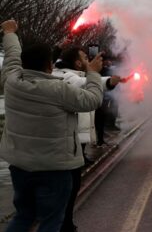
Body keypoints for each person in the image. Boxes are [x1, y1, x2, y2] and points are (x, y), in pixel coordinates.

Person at [0, 20, 104, 232]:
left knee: (23, 216)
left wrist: (9, 33)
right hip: (55, 169)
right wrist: (92, 72)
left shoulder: (11, 82)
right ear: (49, 66)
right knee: (51, 221)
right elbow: (93, 99)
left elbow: (11, 57)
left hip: (20, 166)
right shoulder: (59, 90)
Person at [53, 47, 126, 232]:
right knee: (67, 190)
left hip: (67, 143)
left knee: (67, 190)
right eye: (85, 57)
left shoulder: (68, 74)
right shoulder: (68, 77)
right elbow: (85, 84)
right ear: (77, 62)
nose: (88, 59)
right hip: (67, 145)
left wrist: (109, 80)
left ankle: (65, 223)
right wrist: (103, 78)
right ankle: (64, 225)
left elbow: (85, 81)